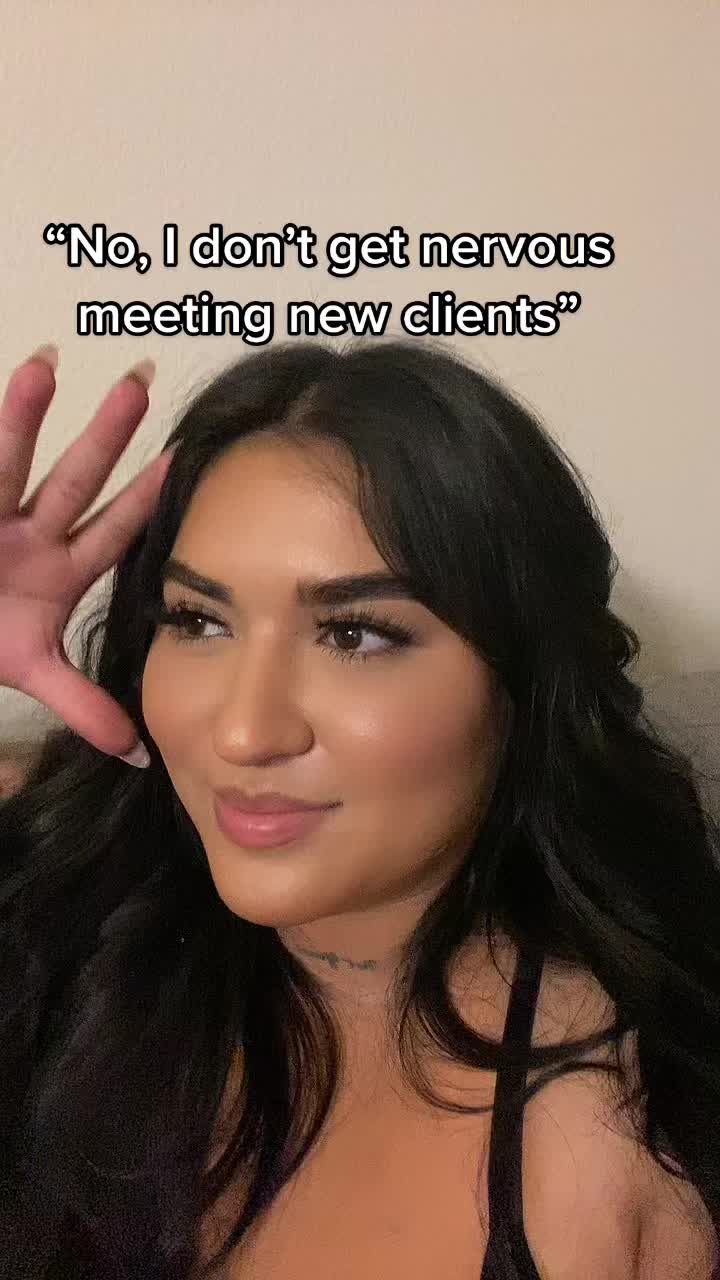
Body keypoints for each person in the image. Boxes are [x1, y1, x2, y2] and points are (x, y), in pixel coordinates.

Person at [0, 340, 718, 1280]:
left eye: (355, 634)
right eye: (198, 621)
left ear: (526, 684)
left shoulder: (623, 1155)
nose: (244, 734)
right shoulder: (55, 901)